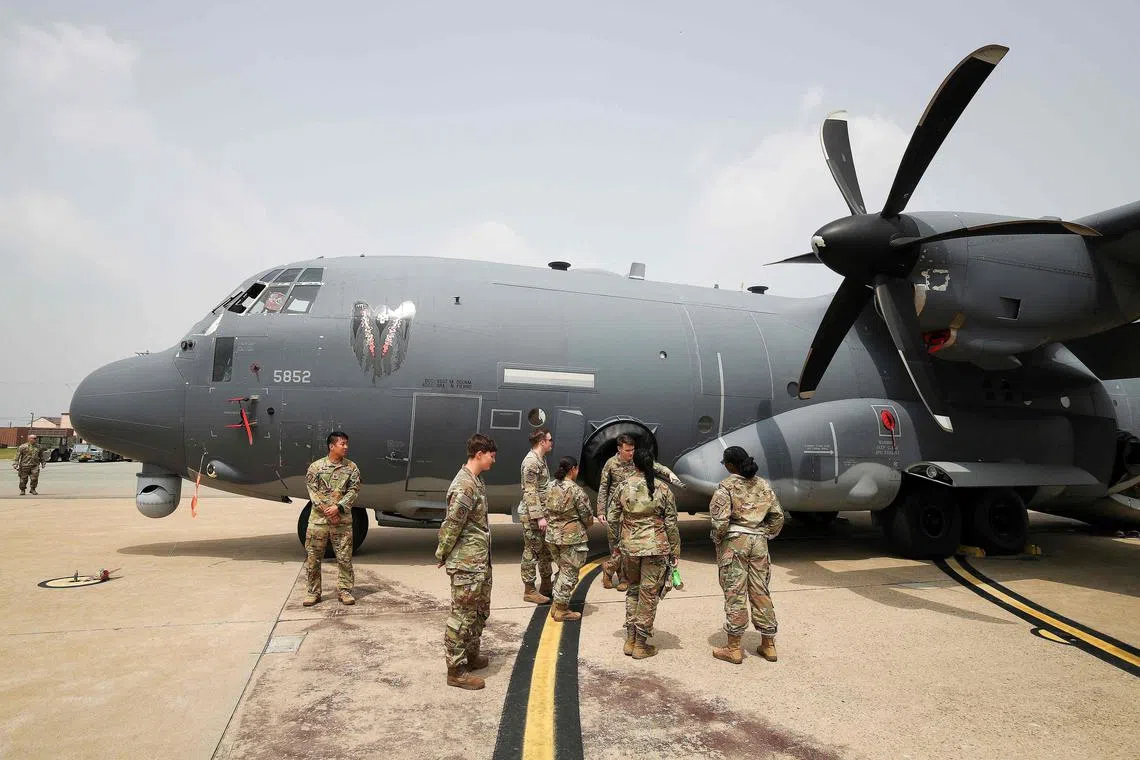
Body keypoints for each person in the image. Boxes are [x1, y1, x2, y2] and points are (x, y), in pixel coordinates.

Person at [709, 445, 785, 665]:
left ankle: (733, 648)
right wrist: (764, 534)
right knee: (761, 590)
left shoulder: (726, 487)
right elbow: (777, 516)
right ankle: (768, 645)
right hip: (758, 542)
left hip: (735, 543)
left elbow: (720, 522)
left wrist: (719, 540)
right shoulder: (763, 485)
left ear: (731, 465)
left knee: (735, 592)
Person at [436, 433, 498, 690]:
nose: (493, 461)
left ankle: (470, 655)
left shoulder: (477, 482)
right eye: (491, 456)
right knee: (462, 615)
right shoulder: (465, 486)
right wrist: (443, 552)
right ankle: (456, 669)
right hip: (466, 563)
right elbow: (452, 524)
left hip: (479, 561)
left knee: (478, 611)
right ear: (479, 454)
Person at [611, 448, 680, 659]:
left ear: (635, 465)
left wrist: (616, 544)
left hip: (629, 547)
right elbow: (671, 524)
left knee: (633, 590)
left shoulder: (623, 487)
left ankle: (630, 639)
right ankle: (641, 644)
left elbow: (613, 518)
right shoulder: (663, 489)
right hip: (656, 549)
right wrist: (675, 550)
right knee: (648, 595)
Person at [596, 434, 685, 591]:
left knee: (628, 546)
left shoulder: (636, 461)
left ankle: (618, 574)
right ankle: (618, 574)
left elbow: (656, 466)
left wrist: (669, 474)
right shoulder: (611, 464)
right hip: (619, 508)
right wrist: (601, 510)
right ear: (619, 449)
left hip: (635, 509)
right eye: (627, 450)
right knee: (617, 545)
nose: (631, 453)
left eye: (633, 449)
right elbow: (604, 487)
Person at [302, 431, 362, 607]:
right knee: (313, 558)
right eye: (342, 444)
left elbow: (354, 491)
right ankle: (313, 593)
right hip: (318, 522)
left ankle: (345, 591)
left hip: (342, 522)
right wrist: (327, 510)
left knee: (344, 558)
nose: (346, 447)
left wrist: (338, 508)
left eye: (346, 443)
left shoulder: (352, 468)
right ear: (331, 446)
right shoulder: (316, 467)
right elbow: (312, 492)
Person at [544, 456, 594, 621]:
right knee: (570, 573)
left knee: (563, 570)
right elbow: (587, 517)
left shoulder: (550, 486)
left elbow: (545, 509)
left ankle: (556, 603)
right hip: (571, 538)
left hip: (552, 536)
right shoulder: (576, 490)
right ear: (573, 469)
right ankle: (561, 609)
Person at [519, 427, 554, 604]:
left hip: (543, 513)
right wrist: (539, 516)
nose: (551, 442)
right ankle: (529, 590)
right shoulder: (531, 462)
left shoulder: (541, 459)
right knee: (531, 551)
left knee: (545, 551)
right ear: (542, 442)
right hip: (532, 516)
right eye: (549, 440)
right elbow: (530, 492)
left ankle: (547, 585)